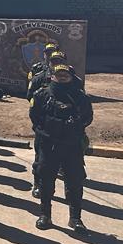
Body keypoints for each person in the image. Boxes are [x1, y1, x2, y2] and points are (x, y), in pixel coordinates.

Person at [30, 64, 92, 232]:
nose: (62, 77)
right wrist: (47, 131)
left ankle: (75, 218)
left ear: (71, 77)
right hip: (49, 145)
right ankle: (45, 215)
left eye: (65, 74)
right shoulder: (42, 95)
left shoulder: (80, 97)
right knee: (45, 181)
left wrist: (74, 126)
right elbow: (34, 117)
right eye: (59, 74)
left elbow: (88, 117)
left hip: (72, 146)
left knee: (75, 182)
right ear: (52, 76)